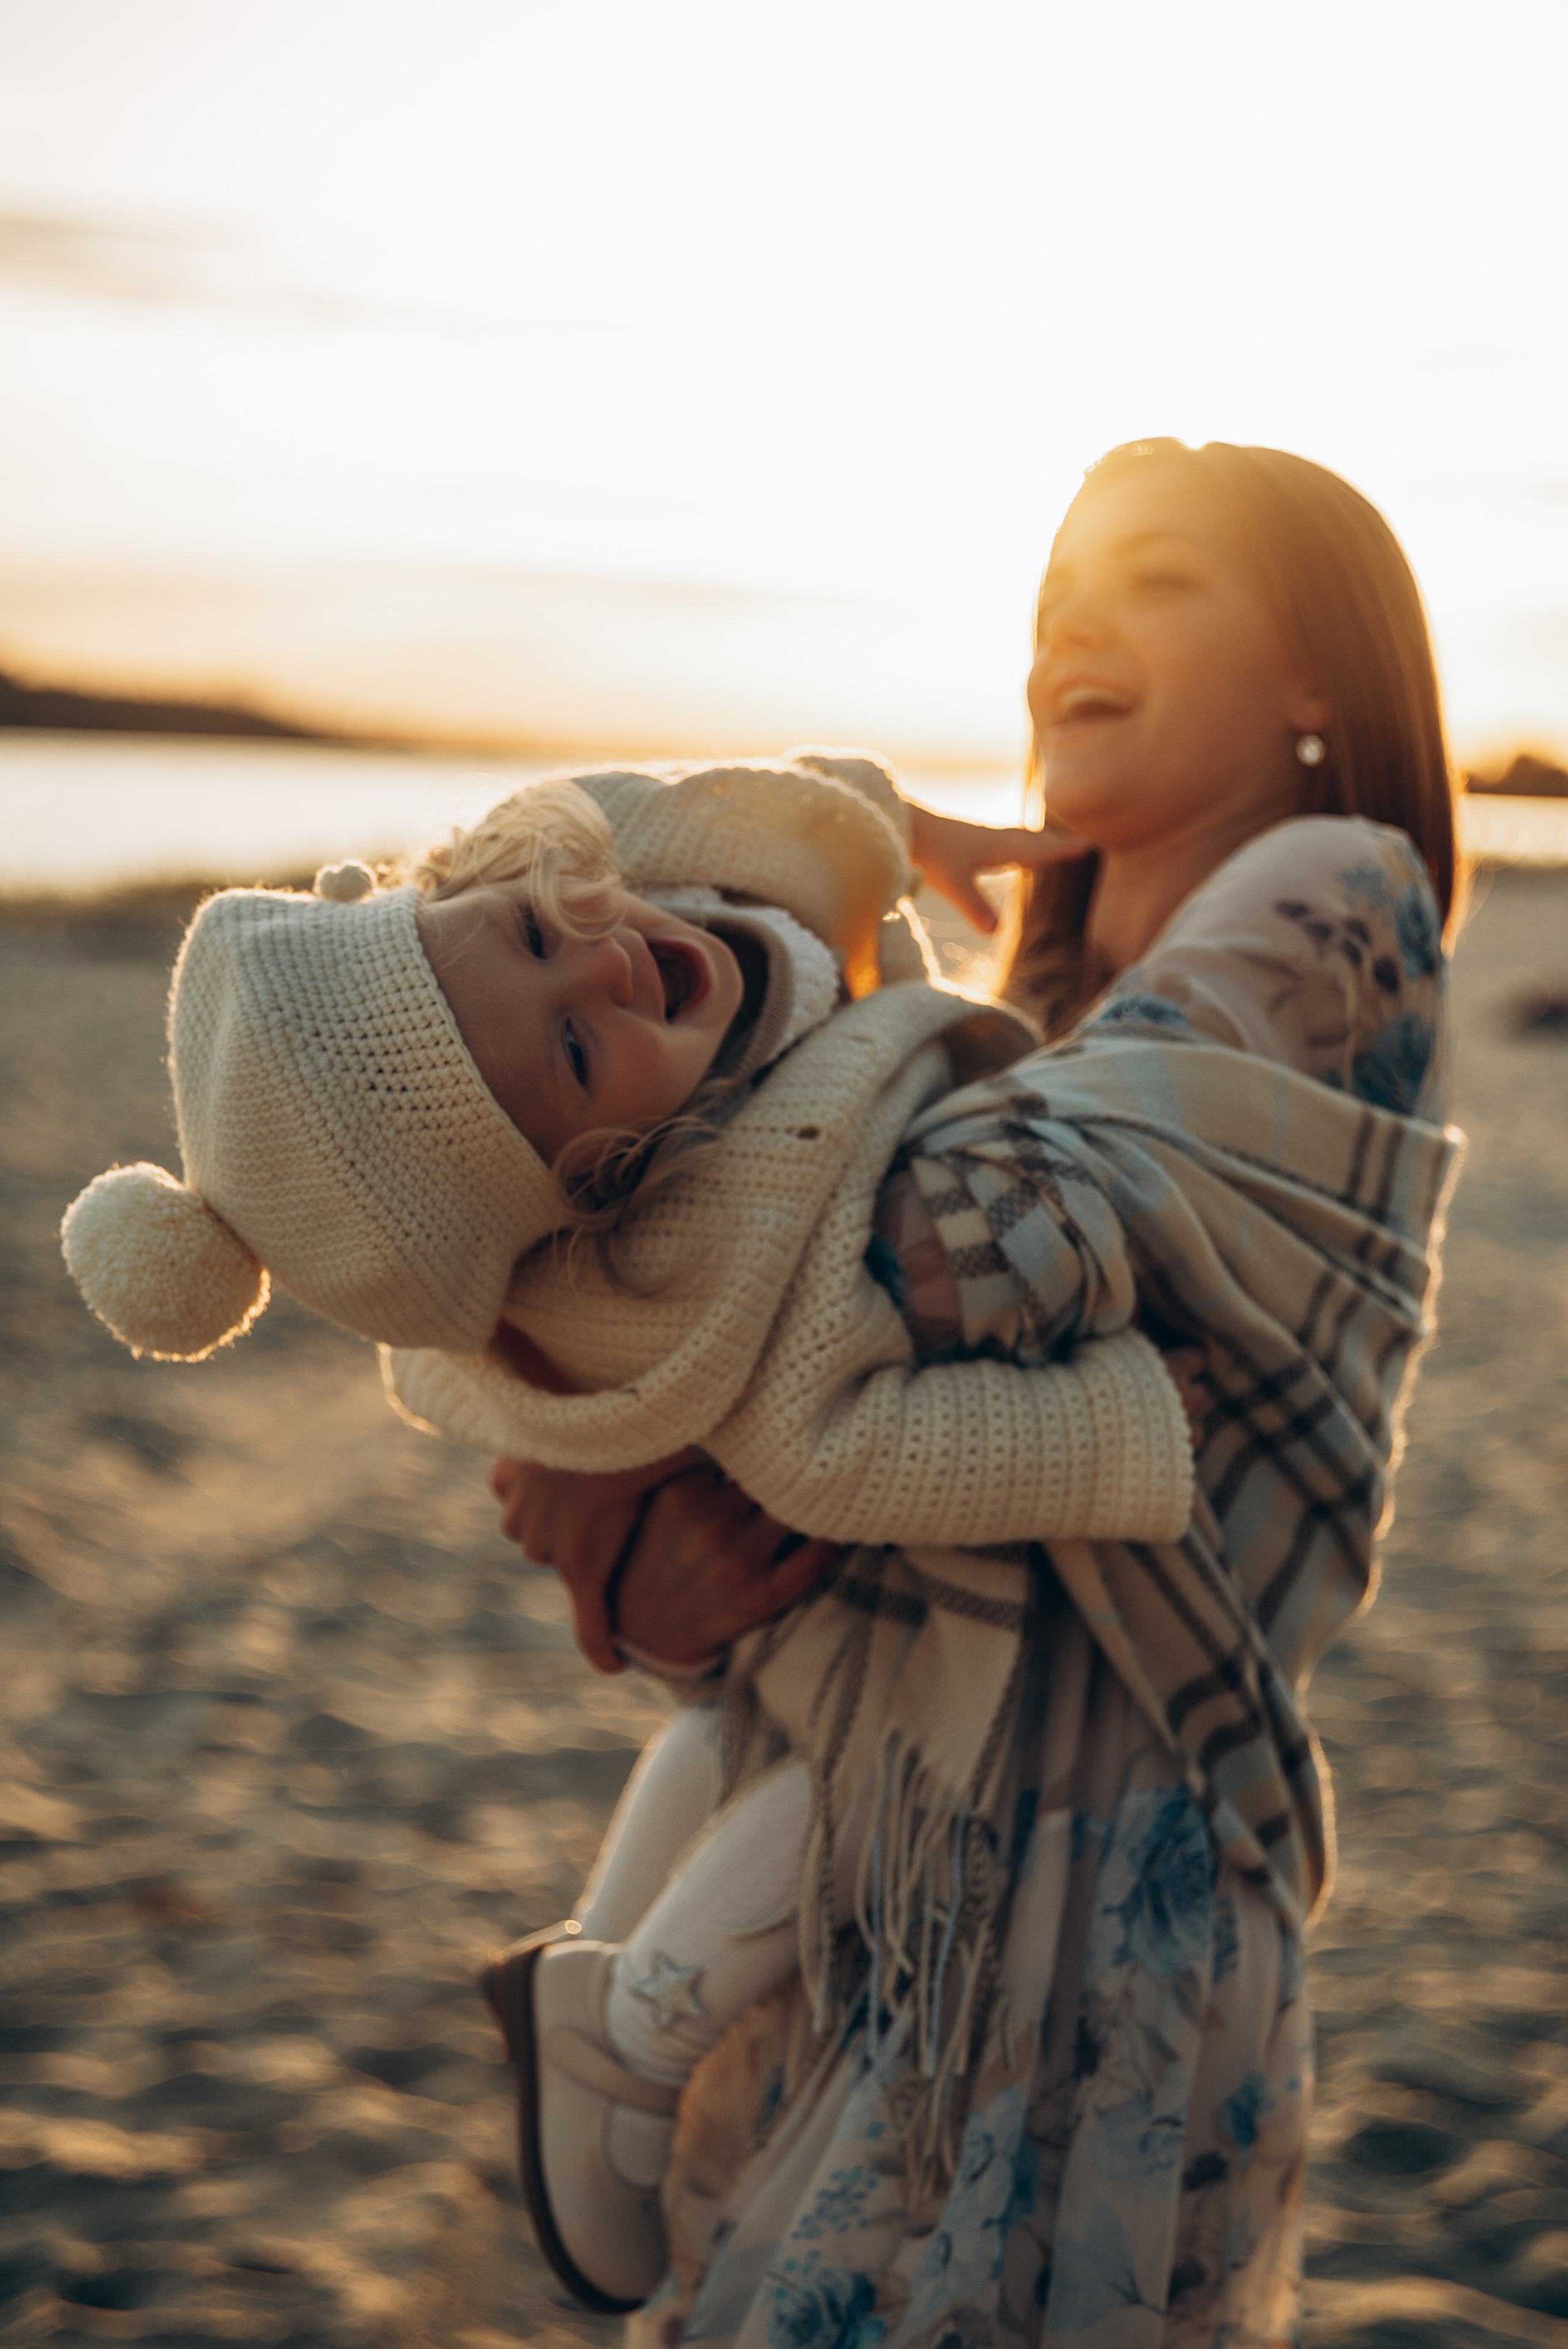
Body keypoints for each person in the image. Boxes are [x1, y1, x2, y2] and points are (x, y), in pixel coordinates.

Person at [487, 439, 1464, 2347]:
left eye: (1159, 578)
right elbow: (832, 1397)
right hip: (869, 1906)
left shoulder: (1337, 895)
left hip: (1088, 1945)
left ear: (1316, 680)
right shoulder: (1034, 1013)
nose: (1072, 627)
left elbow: (939, 1241)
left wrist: (575, 1400)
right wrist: (651, 1532)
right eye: (1049, 600)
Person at [56, 744, 1197, 2295]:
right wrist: (1121, 1428)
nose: (605, 966)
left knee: (742, 1717)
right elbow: (825, 1453)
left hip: (784, 1542)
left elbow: (799, 798)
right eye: (577, 1059)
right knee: (876, 1743)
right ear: (589, 1183)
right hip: (839, 1524)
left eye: (534, 938)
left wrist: (906, 828)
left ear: (473, 883)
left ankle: (589, 1948)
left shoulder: (625, 856)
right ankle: (638, 2013)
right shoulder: (692, 1234)